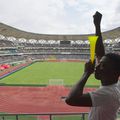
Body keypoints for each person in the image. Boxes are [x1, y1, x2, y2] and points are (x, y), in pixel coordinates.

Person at [65, 11, 120, 120]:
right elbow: (100, 53)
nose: (97, 66)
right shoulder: (114, 85)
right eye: (99, 63)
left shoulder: (107, 93)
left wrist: (86, 73)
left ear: (114, 72)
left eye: (103, 65)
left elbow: (71, 99)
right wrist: (97, 26)